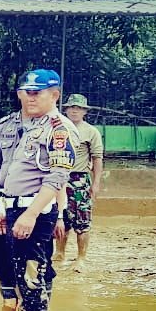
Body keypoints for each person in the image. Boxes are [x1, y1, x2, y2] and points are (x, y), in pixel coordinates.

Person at [0, 69, 78, 311]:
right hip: (14, 208)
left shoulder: (58, 129)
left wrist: (30, 214)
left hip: (35, 213)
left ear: (55, 94)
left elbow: (56, 178)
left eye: (37, 92)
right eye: (25, 92)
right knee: (23, 274)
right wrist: (4, 209)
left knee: (32, 279)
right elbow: (12, 172)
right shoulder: (26, 127)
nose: (30, 97)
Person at [55, 94, 103, 272]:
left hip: (79, 180)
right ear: (66, 109)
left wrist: (95, 183)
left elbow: (97, 158)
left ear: (85, 111)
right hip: (59, 177)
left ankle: (81, 257)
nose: (75, 110)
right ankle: (59, 252)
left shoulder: (91, 132)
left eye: (79, 108)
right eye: (71, 107)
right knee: (60, 217)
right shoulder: (57, 128)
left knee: (82, 220)